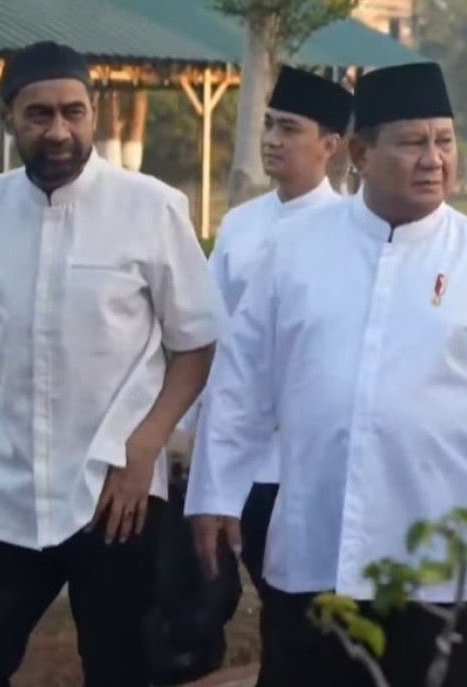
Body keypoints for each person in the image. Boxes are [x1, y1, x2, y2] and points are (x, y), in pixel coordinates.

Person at [187, 61, 467, 687]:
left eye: (444, 141)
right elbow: (242, 383)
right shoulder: (293, 250)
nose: (434, 160)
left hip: (445, 564)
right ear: (360, 154)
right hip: (318, 547)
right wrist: (215, 493)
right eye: (412, 143)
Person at [0, 41, 222, 686]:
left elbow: (196, 344)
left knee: (121, 669)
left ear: (95, 111)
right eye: (39, 115)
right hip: (8, 492)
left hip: (115, 492)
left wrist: (143, 447)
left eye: (74, 112)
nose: (59, 131)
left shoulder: (150, 207)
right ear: (8, 118)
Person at [182, 64, 353, 637]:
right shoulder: (241, 224)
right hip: (241, 454)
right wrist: (190, 427)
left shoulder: (351, 230)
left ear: (330, 146)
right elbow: (211, 331)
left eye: (290, 129)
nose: (273, 139)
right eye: (270, 125)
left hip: (310, 460)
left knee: (307, 613)